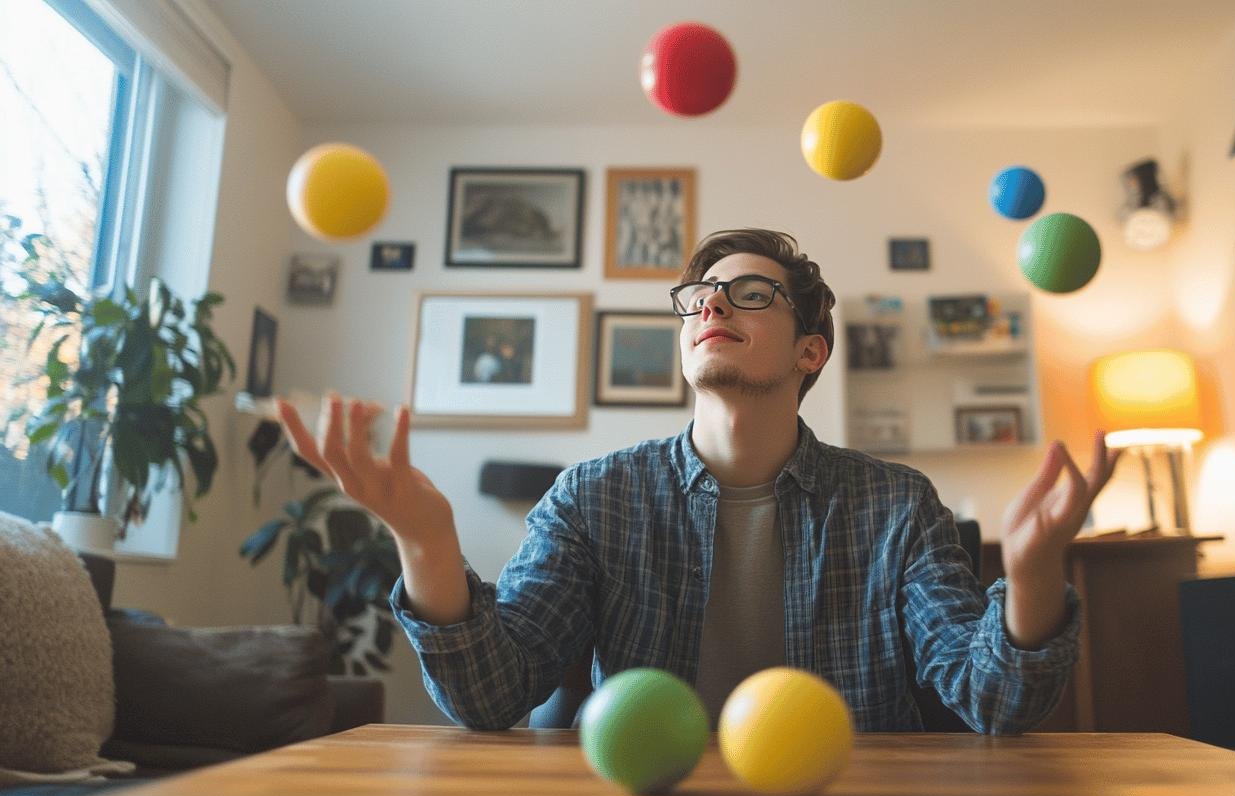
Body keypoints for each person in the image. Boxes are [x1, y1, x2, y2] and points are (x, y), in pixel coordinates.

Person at [276, 228, 1119, 734]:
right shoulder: (593, 497)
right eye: (699, 296)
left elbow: (993, 701)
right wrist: (426, 541)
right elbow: (492, 695)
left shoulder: (897, 505)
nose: (712, 306)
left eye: (750, 294)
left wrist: (1035, 577)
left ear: (809, 350)